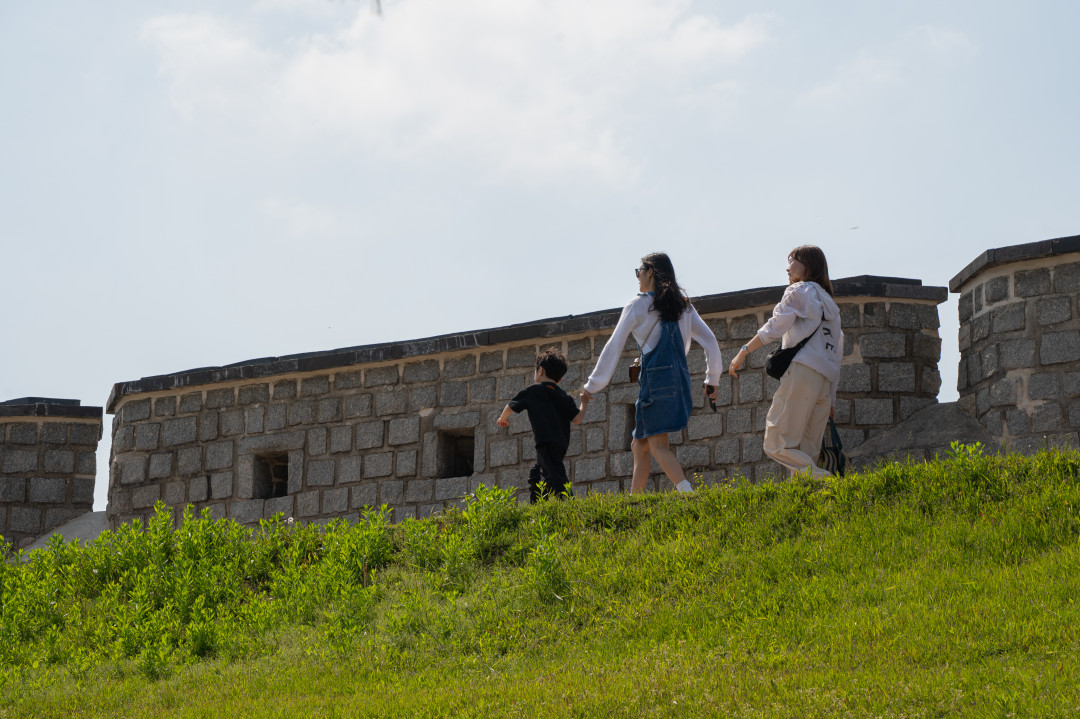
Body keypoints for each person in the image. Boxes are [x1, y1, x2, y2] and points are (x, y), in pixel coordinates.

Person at [581, 252, 722, 494]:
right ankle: (634, 499)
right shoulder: (684, 307)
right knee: (639, 445)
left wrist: (592, 385)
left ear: (650, 273)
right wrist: (712, 379)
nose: (637, 277)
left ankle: (687, 493)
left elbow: (613, 347)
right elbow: (710, 341)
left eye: (639, 272)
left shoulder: (637, 305)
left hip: (656, 383)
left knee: (658, 445)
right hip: (679, 381)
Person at [728, 245, 844, 477]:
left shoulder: (800, 291)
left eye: (793, 260)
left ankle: (829, 481)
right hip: (823, 381)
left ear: (807, 265)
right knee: (806, 452)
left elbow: (774, 327)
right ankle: (807, 507)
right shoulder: (832, 306)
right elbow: (836, 353)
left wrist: (743, 351)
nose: (788, 267)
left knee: (777, 443)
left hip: (802, 373)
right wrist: (830, 398)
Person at [497, 348, 588, 502]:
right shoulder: (563, 396)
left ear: (540, 371)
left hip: (545, 442)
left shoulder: (533, 391)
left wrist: (503, 418)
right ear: (559, 379)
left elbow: (511, 405)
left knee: (556, 474)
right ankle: (538, 503)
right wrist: (584, 403)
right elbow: (577, 419)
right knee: (538, 473)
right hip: (560, 444)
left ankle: (569, 503)